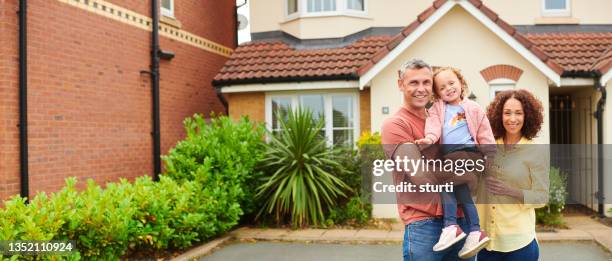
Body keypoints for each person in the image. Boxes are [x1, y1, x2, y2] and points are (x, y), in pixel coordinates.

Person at [381, 59, 481, 261]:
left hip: (461, 223)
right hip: (424, 225)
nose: (421, 89)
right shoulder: (396, 124)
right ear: (400, 84)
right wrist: (465, 174)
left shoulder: (444, 120)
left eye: (426, 83)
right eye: (413, 83)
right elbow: (421, 175)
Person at [414, 67, 495, 258]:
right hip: (450, 155)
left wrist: (490, 156)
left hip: (469, 153)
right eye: (442, 87)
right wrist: (428, 139)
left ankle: (451, 225)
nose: (449, 88)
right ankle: (474, 230)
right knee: (459, 189)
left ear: (460, 82)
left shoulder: (473, 108)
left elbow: (485, 134)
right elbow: (433, 128)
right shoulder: (436, 109)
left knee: (443, 179)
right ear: (437, 93)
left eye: (452, 83)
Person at [476, 89, 549, 261]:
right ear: (499, 116)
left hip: (519, 244)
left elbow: (541, 197)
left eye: (518, 113)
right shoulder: (487, 145)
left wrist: (510, 191)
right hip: (485, 243)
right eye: (507, 113)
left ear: (527, 116)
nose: (512, 119)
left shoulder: (535, 151)